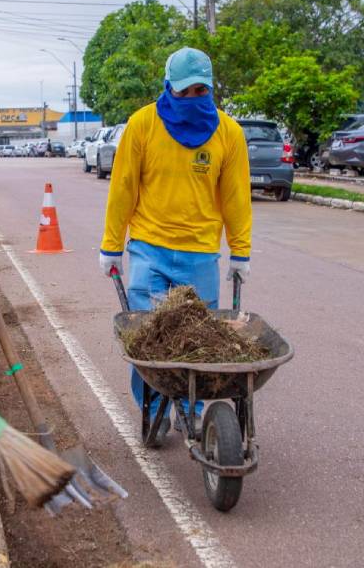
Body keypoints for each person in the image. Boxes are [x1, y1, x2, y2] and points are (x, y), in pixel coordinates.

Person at [99, 46, 252, 440]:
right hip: (149, 249)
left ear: (211, 89)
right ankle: (152, 406)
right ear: (168, 87)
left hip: (201, 254)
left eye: (200, 91)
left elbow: (236, 196)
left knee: (199, 345)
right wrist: (111, 245)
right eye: (183, 92)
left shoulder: (228, 133)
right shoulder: (142, 125)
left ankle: (194, 410)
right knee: (148, 342)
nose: (191, 99)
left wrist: (240, 250)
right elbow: (123, 188)